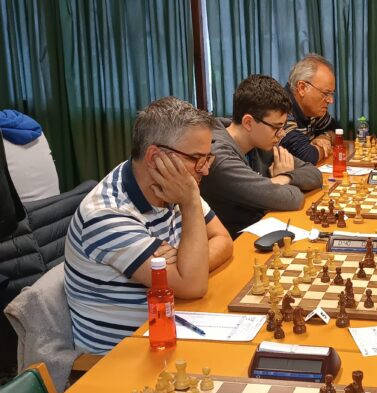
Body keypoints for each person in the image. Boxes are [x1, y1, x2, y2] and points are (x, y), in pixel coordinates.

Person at [64, 97, 234, 354]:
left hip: (175, 328)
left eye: (207, 158)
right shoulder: (106, 214)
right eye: (196, 158)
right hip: (123, 357)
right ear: (155, 157)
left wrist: (188, 264)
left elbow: (223, 238)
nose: (205, 170)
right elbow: (193, 285)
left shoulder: (172, 185)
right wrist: (190, 204)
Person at [200, 75, 323, 238]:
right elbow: (293, 198)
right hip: (236, 243)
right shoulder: (219, 158)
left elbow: (314, 174)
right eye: (276, 127)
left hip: (261, 231)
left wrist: (284, 177)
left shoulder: (259, 142)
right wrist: (279, 186)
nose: (282, 134)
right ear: (248, 122)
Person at [279, 53, 341, 164]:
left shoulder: (312, 109)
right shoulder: (281, 107)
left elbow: (338, 130)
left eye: (331, 94)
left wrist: (325, 137)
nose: (330, 100)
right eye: (325, 93)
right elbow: (307, 156)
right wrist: (322, 148)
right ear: (302, 88)